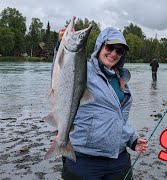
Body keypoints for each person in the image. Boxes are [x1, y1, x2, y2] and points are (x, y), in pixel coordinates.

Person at [53, 26, 148, 179]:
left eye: (119, 51)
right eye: (110, 47)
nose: (113, 54)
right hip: (84, 161)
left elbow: (118, 120)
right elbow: (62, 73)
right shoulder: (83, 69)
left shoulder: (121, 81)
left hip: (119, 160)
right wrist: (62, 47)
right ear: (99, 46)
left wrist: (132, 140)